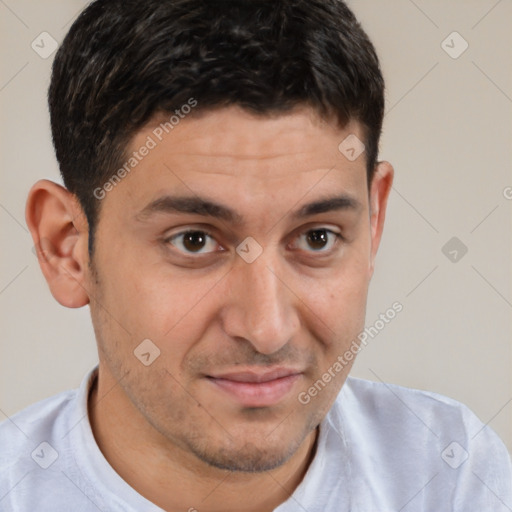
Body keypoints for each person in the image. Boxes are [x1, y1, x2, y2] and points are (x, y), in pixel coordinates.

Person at [0, 0, 510, 510]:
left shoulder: (451, 473)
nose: (267, 329)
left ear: (373, 222)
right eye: (194, 240)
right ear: (66, 249)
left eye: (317, 237)